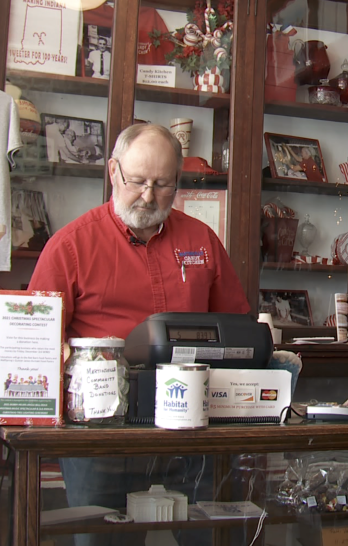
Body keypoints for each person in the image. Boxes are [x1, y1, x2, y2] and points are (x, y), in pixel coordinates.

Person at [27, 124, 248, 546]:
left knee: (212, 538)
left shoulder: (201, 241)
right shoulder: (70, 246)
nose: (148, 197)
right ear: (113, 172)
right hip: (104, 437)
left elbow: (237, 327)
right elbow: (36, 341)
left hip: (193, 430)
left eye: (163, 185)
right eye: (138, 181)